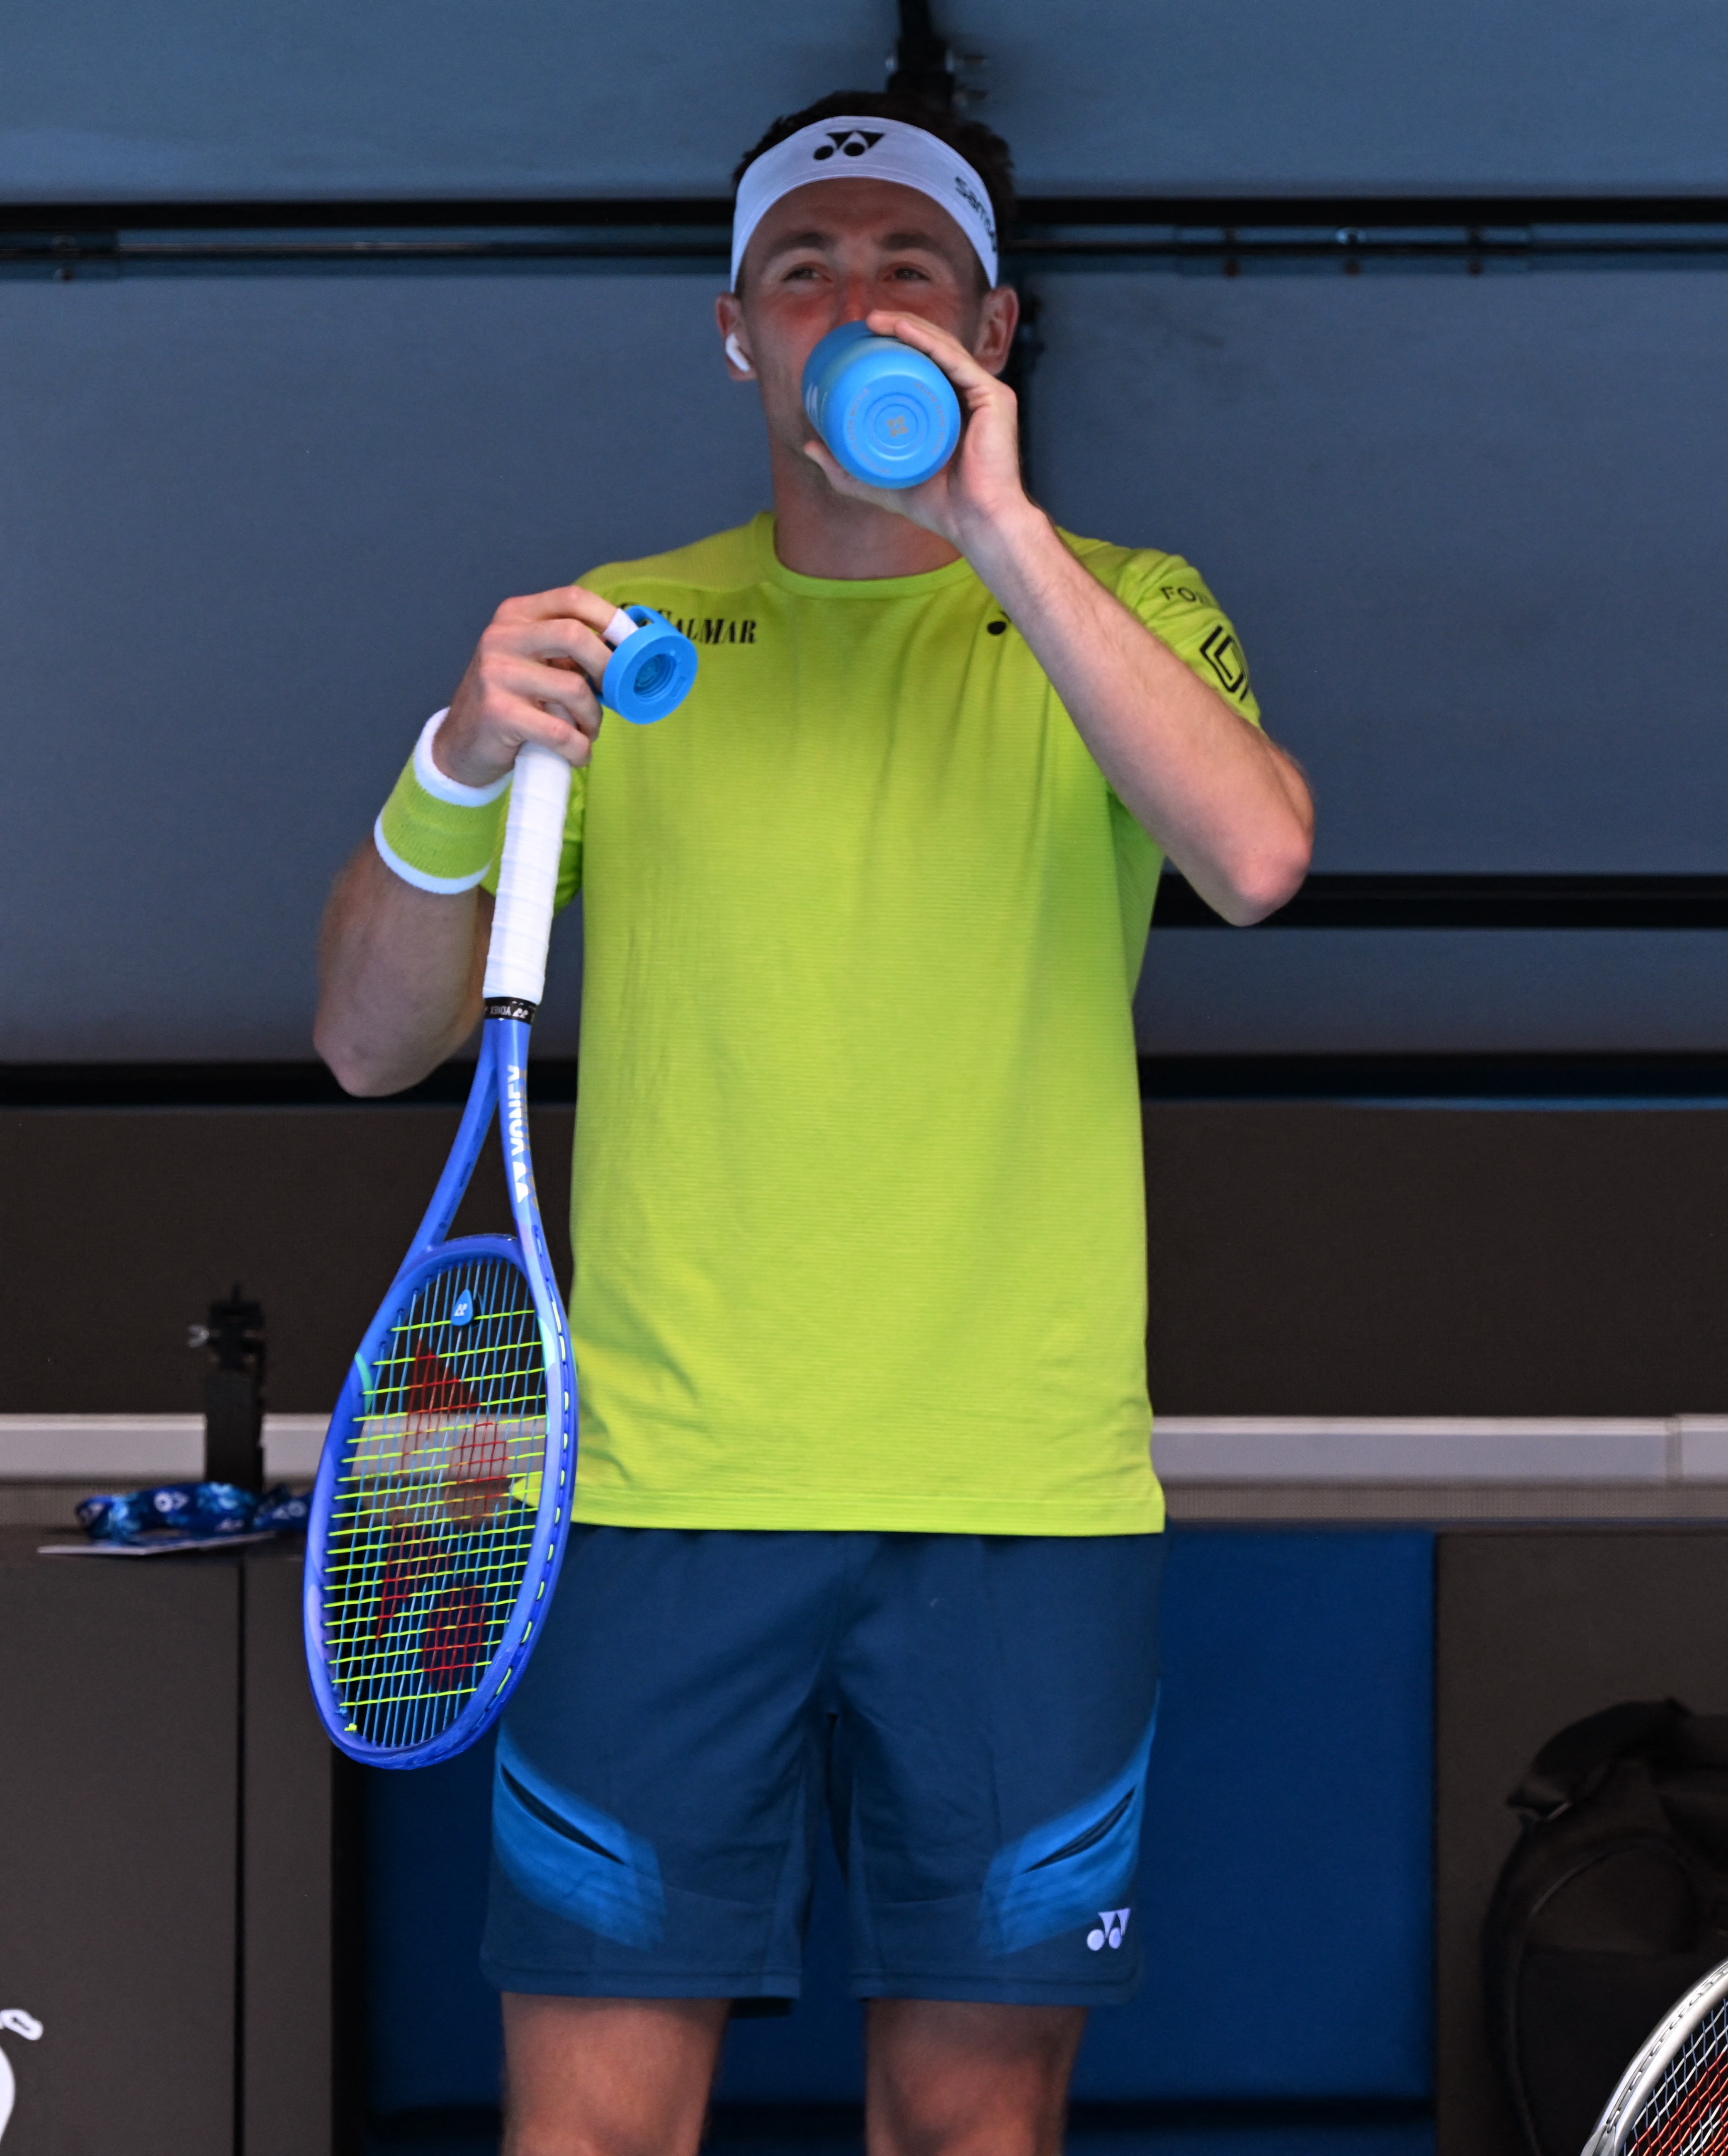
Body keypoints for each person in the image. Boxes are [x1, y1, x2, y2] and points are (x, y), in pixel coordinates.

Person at [312, 90, 1312, 2155]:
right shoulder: (614, 632)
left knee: (971, 2131)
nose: (857, 304)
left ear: (993, 330)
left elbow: (1256, 855)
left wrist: (999, 531)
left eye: (909, 268)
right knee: (590, 2134)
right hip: (651, 1500)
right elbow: (365, 1040)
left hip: (1019, 1504)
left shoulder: (1119, 602)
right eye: (805, 270)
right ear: (734, 334)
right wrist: (455, 758)